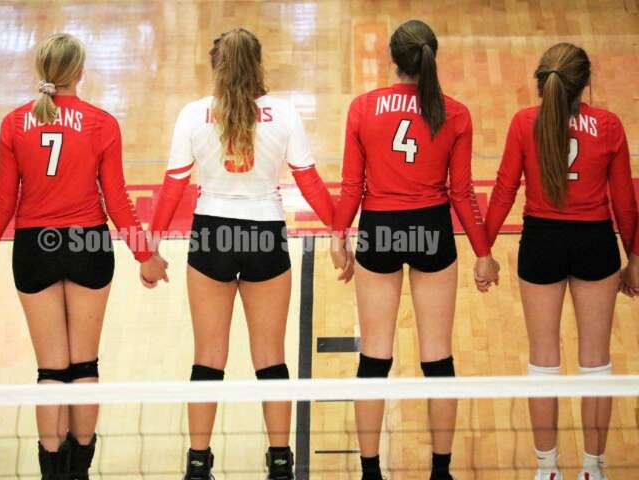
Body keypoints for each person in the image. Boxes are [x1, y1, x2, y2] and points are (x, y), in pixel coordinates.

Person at [0, 33, 168, 480]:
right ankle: (80, 471)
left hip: (35, 249)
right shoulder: (101, 123)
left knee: (51, 370)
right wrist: (145, 255)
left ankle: (52, 471)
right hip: (88, 245)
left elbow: (1, 203)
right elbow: (117, 201)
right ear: (80, 72)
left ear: (43, 72)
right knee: (85, 365)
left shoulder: (15, 123)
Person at [150, 28, 335, 480]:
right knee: (271, 357)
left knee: (207, 358)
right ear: (258, 66)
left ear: (216, 66)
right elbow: (309, 181)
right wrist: (340, 232)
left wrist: (148, 248)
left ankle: (197, 465)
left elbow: (174, 186)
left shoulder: (194, 115)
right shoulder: (285, 114)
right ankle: (280, 464)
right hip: (265, 236)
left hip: (212, 235)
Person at [330, 19, 500, 480]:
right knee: (438, 358)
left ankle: (370, 473)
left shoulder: (363, 108)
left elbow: (351, 186)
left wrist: (338, 235)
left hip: (380, 230)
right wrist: (483, 252)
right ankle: (440, 473)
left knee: (374, 359)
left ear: (393, 58)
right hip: (431, 230)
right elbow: (462, 193)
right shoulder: (455, 113)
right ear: (431, 58)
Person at [485, 43, 639, 480]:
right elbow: (625, 203)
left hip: (541, 244)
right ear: (585, 83)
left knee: (543, 362)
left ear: (541, 83)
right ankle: (593, 468)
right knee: (597, 363)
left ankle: (546, 469)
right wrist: (635, 258)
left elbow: (503, 189)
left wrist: (485, 250)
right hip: (595, 244)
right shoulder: (607, 125)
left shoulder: (523, 123)